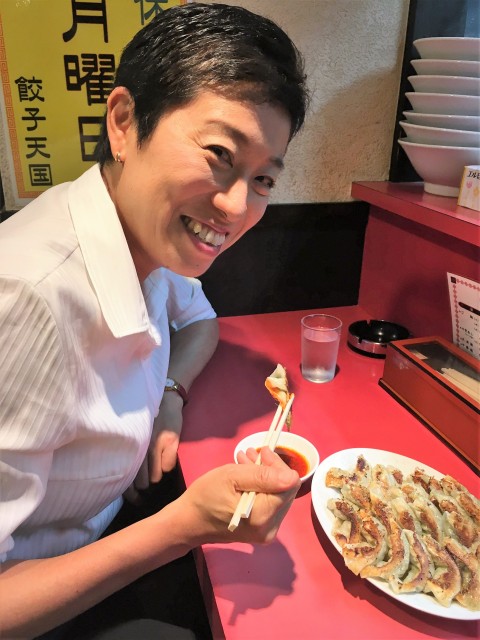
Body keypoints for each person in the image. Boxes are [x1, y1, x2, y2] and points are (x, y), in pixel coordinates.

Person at [0, 3, 308, 638]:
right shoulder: (31, 299)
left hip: (114, 530)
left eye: (263, 179)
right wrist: (182, 527)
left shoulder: (144, 238)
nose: (236, 206)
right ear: (123, 122)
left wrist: (170, 394)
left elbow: (200, 322)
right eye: (220, 153)